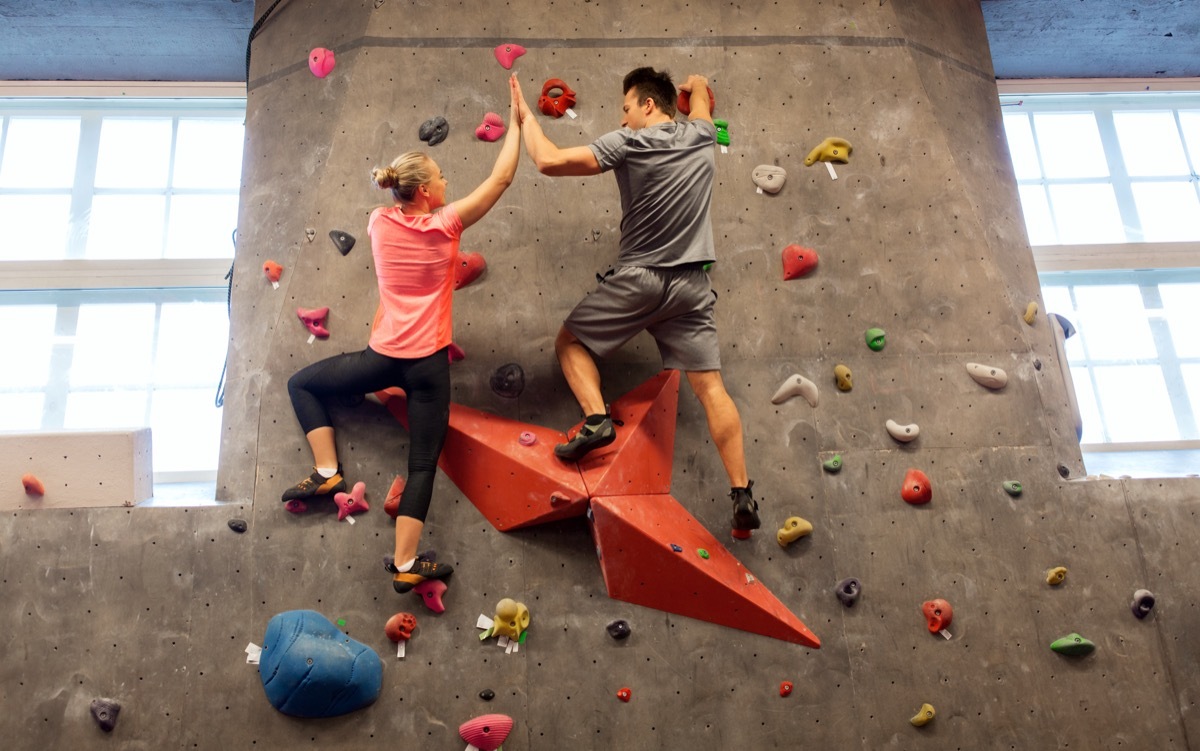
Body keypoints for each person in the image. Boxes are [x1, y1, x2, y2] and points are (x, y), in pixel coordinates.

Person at [282, 74, 524, 592]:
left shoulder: (376, 222)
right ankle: (406, 565)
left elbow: (396, 207)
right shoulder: (445, 225)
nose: (446, 184)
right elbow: (500, 181)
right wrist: (518, 125)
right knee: (421, 466)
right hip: (429, 368)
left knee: (301, 384)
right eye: (440, 178)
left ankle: (327, 471)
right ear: (426, 191)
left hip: (382, 360)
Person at [512, 67, 760, 536]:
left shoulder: (629, 143)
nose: (623, 120)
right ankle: (742, 491)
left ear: (648, 105)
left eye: (627, 109)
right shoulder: (703, 135)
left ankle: (596, 419)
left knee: (570, 342)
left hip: (641, 279)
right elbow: (702, 94)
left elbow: (548, 161)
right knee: (711, 389)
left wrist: (526, 117)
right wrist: (696, 84)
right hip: (692, 287)